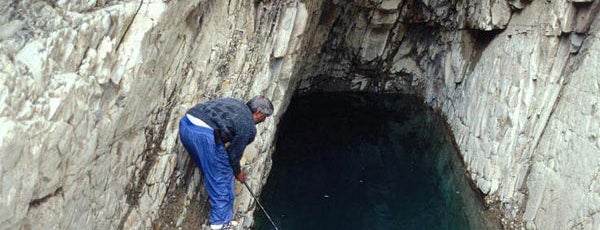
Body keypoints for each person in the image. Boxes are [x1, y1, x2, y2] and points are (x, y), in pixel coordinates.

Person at [178, 96, 273, 230]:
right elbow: (233, 156)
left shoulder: (235, 102)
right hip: (204, 135)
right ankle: (219, 223)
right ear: (257, 112)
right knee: (222, 174)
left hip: (186, 124)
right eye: (265, 117)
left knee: (214, 170)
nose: (264, 120)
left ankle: (224, 219)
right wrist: (238, 173)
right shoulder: (248, 126)